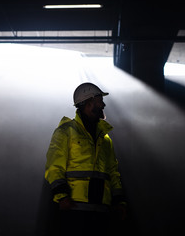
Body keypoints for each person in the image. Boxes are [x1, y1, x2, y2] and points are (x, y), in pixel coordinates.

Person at [45, 82, 127, 235]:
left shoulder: (105, 139)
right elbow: (54, 167)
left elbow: (113, 173)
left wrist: (119, 202)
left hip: (102, 212)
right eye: (99, 100)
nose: (103, 105)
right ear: (88, 103)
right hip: (74, 210)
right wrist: (62, 197)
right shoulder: (65, 132)